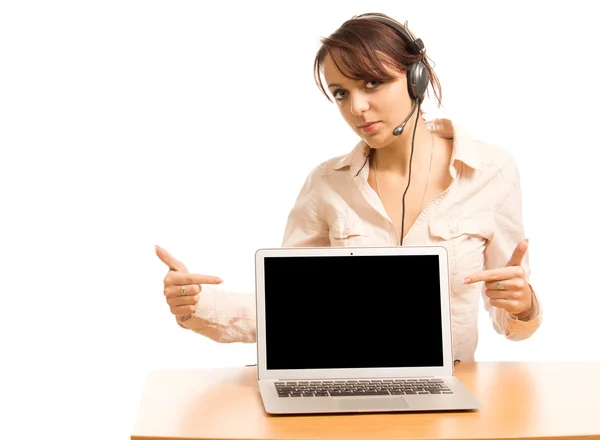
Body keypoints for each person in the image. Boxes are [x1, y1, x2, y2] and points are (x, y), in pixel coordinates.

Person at [155, 12, 541, 362]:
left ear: (416, 78)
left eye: (372, 83)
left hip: (450, 390)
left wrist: (522, 306)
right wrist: (196, 306)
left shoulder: (491, 171)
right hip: (345, 387)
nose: (356, 107)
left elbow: (513, 320)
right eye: (341, 93)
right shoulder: (326, 184)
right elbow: (289, 311)